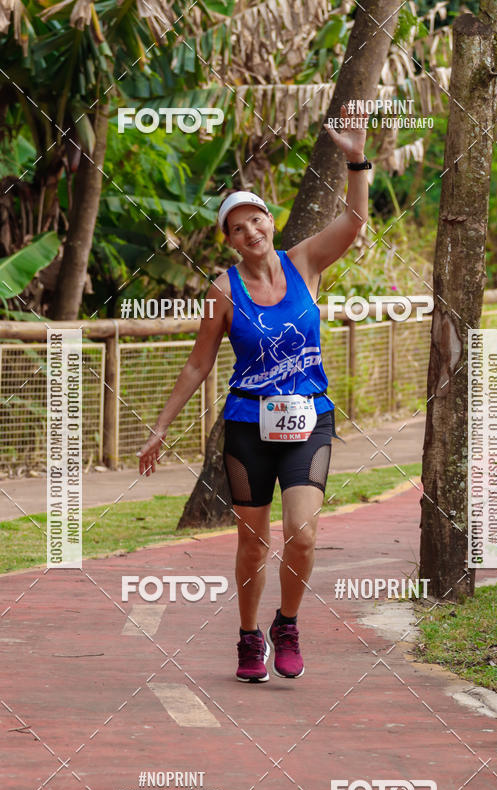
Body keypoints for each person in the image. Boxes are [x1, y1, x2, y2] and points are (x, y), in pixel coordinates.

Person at [137, 106, 370, 683]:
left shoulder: (306, 261)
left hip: (309, 419)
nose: (251, 233)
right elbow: (198, 366)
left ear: (270, 222)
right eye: (238, 228)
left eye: (257, 221)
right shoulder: (224, 289)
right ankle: (248, 637)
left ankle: (286, 625)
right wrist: (161, 428)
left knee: (304, 533)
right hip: (247, 425)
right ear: (230, 240)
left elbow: (356, 220)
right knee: (251, 542)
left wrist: (357, 159)